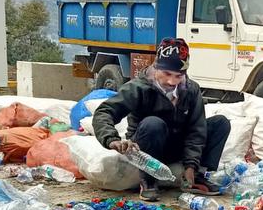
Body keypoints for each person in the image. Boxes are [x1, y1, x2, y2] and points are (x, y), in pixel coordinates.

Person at [93, 37, 231, 201]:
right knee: (153, 123)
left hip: (176, 146)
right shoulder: (138, 88)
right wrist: (111, 139)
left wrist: (191, 165)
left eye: (178, 76)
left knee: (220, 123)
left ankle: (196, 177)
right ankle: (149, 181)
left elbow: (196, 130)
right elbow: (104, 112)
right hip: (147, 147)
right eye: (167, 74)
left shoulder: (190, 90)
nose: (172, 81)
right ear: (157, 67)